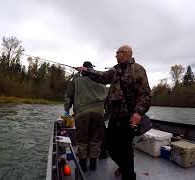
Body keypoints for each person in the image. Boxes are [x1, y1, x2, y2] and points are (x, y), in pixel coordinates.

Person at [77, 45, 152, 180]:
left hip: (128, 116)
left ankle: (128, 175)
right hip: (115, 116)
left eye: (117, 53)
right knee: (109, 146)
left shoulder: (138, 70)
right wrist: (86, 70)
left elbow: (146, 95)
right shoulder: (115, 70)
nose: (115, 55)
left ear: (125, 53)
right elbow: (102, 76)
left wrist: (138, 113)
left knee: (125, 149)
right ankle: (124, 169)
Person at [64, 61, 107, 172]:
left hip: (82, 114)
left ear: (83, 70)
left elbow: (68, 96)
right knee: (95, 140)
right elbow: (108, 98)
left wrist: (66, 111)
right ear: (92, 69)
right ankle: (93, 165)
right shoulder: (102, 82)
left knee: (82, 140)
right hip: (99, 114)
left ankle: (83, 166)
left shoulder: (76, 81)